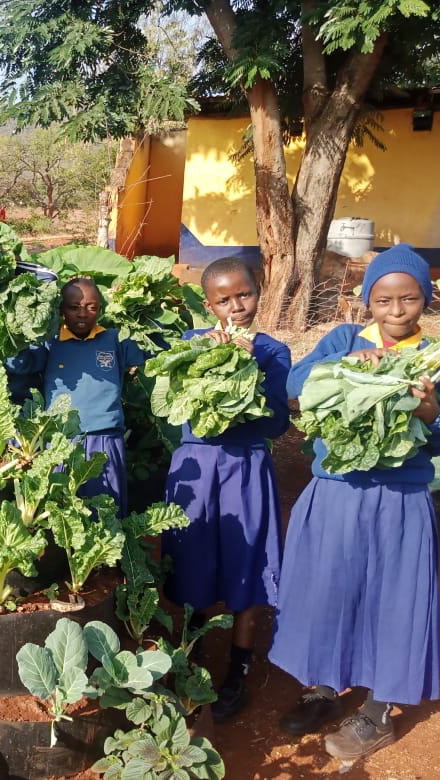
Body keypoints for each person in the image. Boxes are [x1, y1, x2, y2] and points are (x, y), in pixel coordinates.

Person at [269, 244, 440, 766]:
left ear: (424, 302)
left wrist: (429, 408)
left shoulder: (431, 359)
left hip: (400, 499)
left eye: (408, 300)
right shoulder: (345, 338)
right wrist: (347, 364)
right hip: (337, 493)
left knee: (393, 601)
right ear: (368, 301)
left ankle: (379, 707)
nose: (395, 311)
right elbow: (296, 385)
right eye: (384, 300)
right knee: (329, 591)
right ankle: (323, 687)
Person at [160, 257, 291, 722]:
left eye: (244, 295)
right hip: (196, 465)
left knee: (247, 565)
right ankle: (188, 657)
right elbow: (174, 411)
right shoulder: (189, 345)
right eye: (223, 299)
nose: (236, 307)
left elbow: (276, 421)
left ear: (259, 291)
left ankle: (237, 668)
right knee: (192, 560)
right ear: (207, 302)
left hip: (247, 466)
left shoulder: (273, 351)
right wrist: (209, 363)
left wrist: (248, 366)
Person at [15, 277, 143, 514]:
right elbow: (20, 364)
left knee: (105, 512)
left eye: (91, 307)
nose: (82, 313)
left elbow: (150, 352)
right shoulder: (50, 342)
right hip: (61, 441)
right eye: (74, 307)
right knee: (60, 514)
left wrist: (138, 309)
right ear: (61, 309)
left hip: (105, 438)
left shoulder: (115, 339)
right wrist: (15, 329)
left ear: (101, 309)